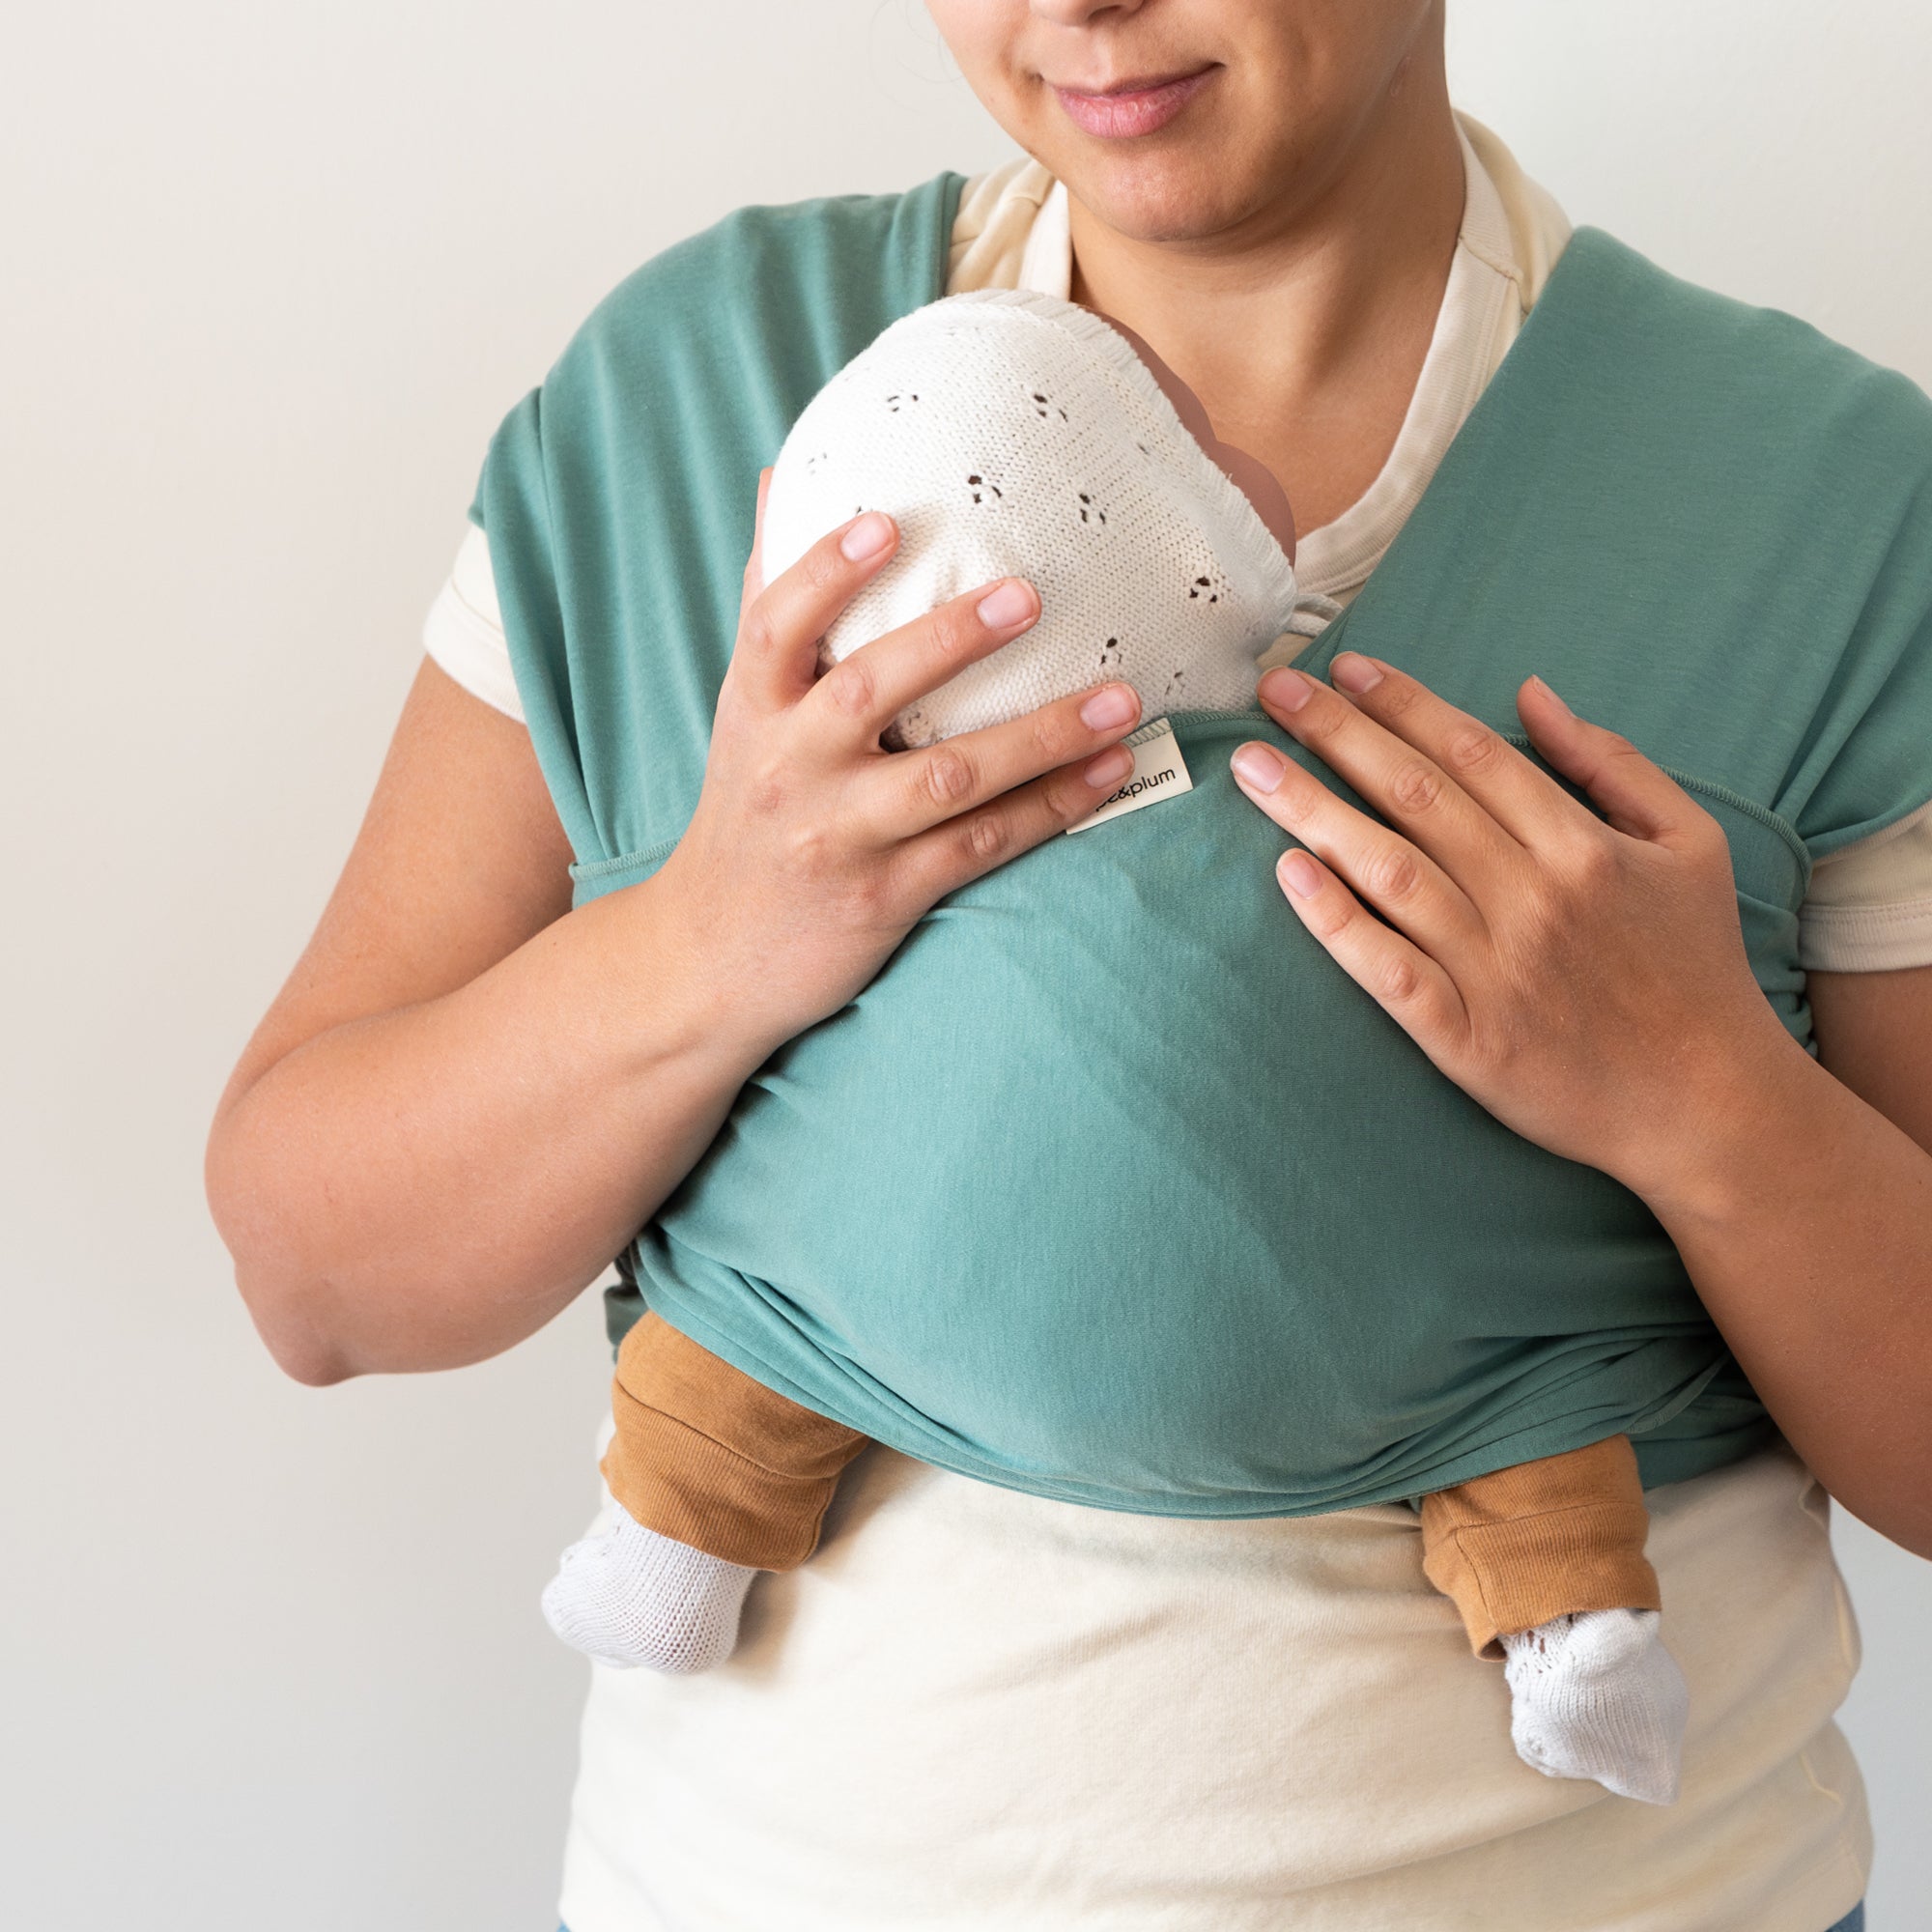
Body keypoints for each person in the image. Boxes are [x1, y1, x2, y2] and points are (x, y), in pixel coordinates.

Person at [206, 3, 1928, 1925]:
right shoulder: (692, 406)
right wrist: (710, 938)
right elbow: (315, 1280)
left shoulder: (1823, 508)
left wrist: (1702, 1097)